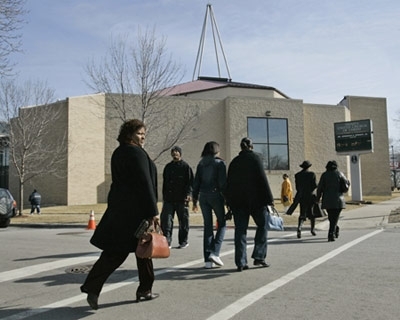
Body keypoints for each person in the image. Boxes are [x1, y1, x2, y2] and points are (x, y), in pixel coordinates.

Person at [80, 119, 159, 310]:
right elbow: (145, 183)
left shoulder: (118, 153)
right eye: (140, 133)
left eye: (144, 134)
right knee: (144, 250)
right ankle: (144, 289)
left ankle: (93, 287)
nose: (142, 137)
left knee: (115, 253)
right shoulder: (136, 153)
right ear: (130, 133)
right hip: (137, 212)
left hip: (120, 211)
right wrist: (153, 211)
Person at [225, 137, 274, 271]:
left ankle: (241, 262)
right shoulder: (255, 159)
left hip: (238, 202)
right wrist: (270, 199)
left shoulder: (234, 162)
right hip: (256, 201)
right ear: (251, 147)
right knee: (263, 226)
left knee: (240, 231)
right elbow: (262, 179)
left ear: (241, 147)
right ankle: (259, 256)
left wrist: (228, 202)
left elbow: (229, 184)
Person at [192, 141, 227, 269]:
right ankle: (215, 252)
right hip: (216, 195)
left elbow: (195, 184)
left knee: (208, 226)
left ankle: (207, 260)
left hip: (203, 196)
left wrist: (194, 200)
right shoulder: (220, 163)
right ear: (216, 151)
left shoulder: (201, 164)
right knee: (222, 223)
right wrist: (227, 199)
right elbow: (223, 184)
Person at [160, 146, 194, 249]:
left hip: (182, 199)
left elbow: (190, 182)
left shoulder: (185, 167)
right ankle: (167, 242)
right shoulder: (168, 167)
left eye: (176, 152)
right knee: (167, 221)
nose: (175, 154)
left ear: (180, 154)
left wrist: (189, 194)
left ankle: (183, 241)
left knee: (183, 221)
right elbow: (165, 183)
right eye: (173, 153)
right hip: (169, 199)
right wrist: (164, 197)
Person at [316, 160, 350, 241]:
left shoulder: (324, 175)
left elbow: (319, 188)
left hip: (327, 199)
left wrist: (318, 198)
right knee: (334, 217)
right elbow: (345, 188)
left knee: (331, 217)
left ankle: (334, 230)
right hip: (338, 199)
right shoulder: (340, 174)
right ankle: (331, 233)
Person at [294, 160, 318, 239]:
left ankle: (299, 228)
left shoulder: (297, 175)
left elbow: (297, 187)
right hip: (310, 196)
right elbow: (315, 185)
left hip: (302, 196)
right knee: (312, 213)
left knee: (302, 213)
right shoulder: (312, 174)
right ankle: (312, 229)